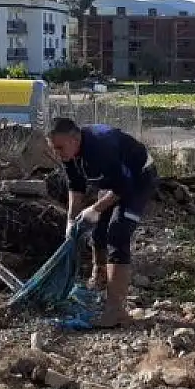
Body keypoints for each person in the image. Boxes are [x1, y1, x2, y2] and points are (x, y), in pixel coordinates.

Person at [47, 117, 158, 328]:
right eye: (53, 148)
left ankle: (115, 310)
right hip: (113, 181)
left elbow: (124, 186)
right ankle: (100, 280)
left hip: (138, 179)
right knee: (97, 231)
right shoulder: (69, 152)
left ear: (74, 138)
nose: (57, 154)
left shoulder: (100, 147)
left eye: (59, 148)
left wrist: (95, 208)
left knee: (117, 233)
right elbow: (76, 185)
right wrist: (71, 219)